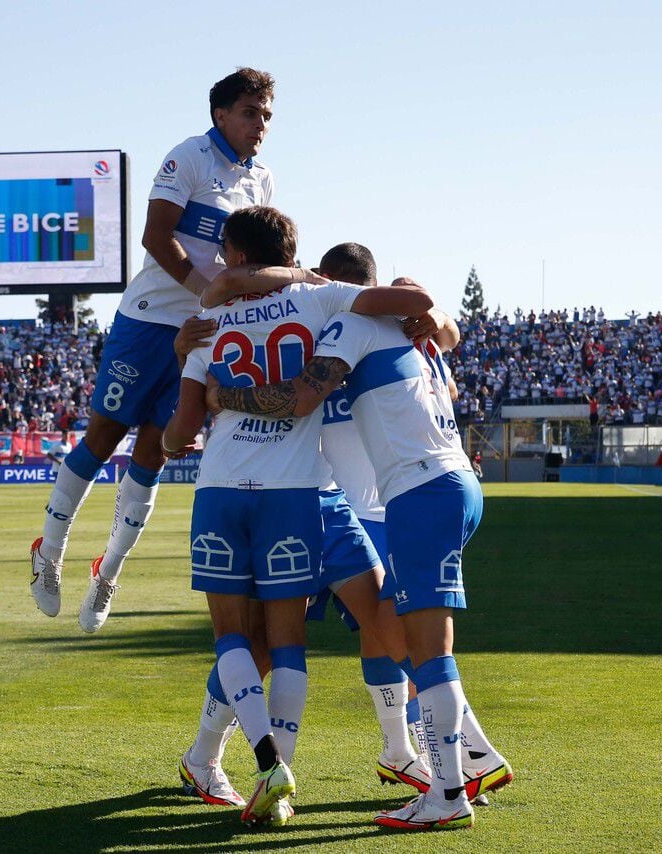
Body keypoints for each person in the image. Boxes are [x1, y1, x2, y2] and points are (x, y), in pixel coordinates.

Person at [163, 209, 436, 826]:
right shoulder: (321, 303)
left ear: (234, 255)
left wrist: (435, 322)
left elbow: (180, 427)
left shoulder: (233, 315)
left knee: (374, 622)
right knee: (271, 643)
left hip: (315, 495)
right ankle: (209, 757)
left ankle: (401, 748)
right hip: (298, 492)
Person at [208, 279, 512, 832]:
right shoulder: (412, 332)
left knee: (421, 649)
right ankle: (461, 758)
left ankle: (448, 790)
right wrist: (439, 314)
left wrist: (220, 395)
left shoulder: (349, 326)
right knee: (396, 629)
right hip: (453, 483)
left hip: (413, 493)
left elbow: (301, 397)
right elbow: (440, 320)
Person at [30, 67, 280, 634]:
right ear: (220, 114)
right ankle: (48, 551)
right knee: (102, 437)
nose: (259, 124)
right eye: (250, 112)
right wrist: (206, 290)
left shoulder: (261, 180)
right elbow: (154, 235)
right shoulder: (187, 157)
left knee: (154, 454)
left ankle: (107, 571)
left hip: (201, 333)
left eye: (266, 115)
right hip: (147, 322)